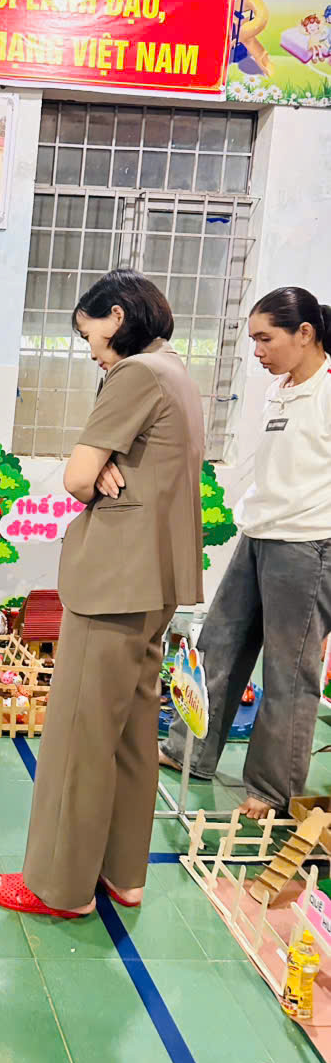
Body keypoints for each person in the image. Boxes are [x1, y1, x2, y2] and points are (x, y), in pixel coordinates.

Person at [0, 270, 204, 918]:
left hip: (114, 578)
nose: (89, 351)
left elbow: (78, 479)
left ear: (116, 316)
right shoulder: (178, 373)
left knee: (80, 737)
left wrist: (95, 467)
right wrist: (106, 465)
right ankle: (122, 873)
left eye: (89, 335)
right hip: (158, 580)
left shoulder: (134, 373)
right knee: (133, 734)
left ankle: (59, 886)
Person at [162, 287, 331, 817]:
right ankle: (189, 752)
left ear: (305, 334)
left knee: (287, 673)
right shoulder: (280, 389)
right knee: (218, 647)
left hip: (307, 546)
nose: (257, 351)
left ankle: (271, 790)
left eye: (266, 338)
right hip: (258, 534)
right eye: (252, 340)